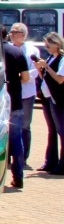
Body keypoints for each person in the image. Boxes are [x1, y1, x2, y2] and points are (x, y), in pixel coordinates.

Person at [8, 24, 40, 165]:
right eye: (12, 31)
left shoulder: (33, 50)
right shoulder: (8, 49)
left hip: (27, 92)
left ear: (23, 34)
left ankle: (23, 158)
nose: (13, 34)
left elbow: (35, 70)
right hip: (11, 93)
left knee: (25, 126)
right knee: (8, 126)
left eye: (16, 32)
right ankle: (8, 156)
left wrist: (21, 78)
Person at [34, 32, 64, 174]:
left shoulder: (62, 59)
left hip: (57, 99)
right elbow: (45, 78)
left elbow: (59, 79)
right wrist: (39, 68)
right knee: (52, 131)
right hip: (48, 98)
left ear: (57, 45)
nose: (46, 47)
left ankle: (62, 164)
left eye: (48, 44)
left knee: (61, 131)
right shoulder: (51, 58)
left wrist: (46, 67)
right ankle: (50, 162)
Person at [3, 36, 30, 189]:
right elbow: (25, 77)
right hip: (15, 101)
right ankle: (18, 177)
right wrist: (14, 81)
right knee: (16, 139)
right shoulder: (17, 52)